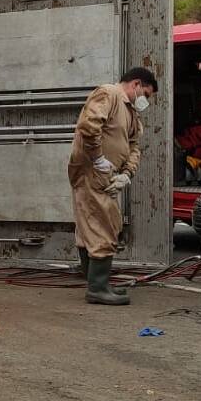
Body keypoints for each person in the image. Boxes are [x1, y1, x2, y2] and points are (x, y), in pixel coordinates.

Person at [67, 66, 158, 305]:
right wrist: (97, 158)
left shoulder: (131, 113)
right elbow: (89, 127)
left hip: (108, 175)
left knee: (99, 224)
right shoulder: (108, 94)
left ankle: (98, 283)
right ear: (136, 84)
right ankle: (97, 288)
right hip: (91, 172)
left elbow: (134, 146)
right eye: (146, 94)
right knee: (103, 227)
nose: (145, 101)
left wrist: (127, 173)